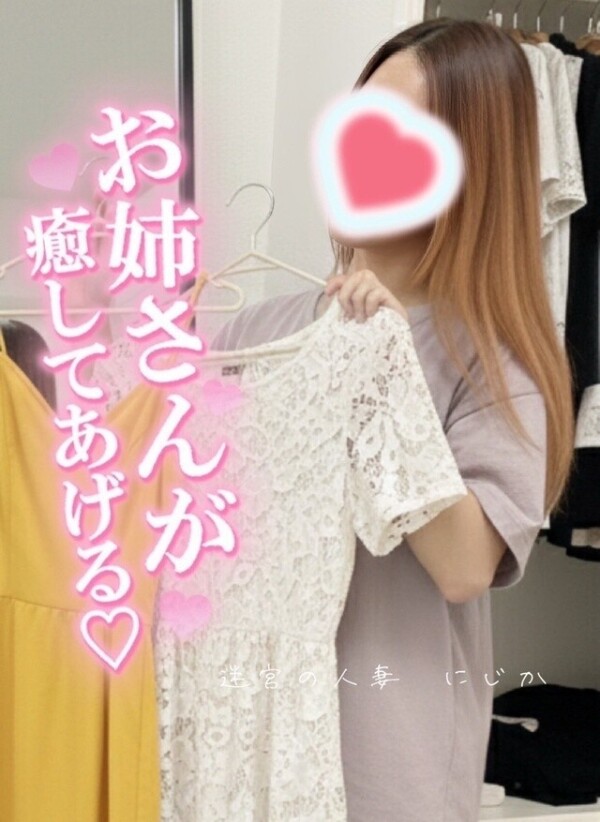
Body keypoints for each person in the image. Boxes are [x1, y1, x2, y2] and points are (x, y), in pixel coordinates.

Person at [207, 17, 575, 822]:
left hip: (383, 773)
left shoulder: (496, 361)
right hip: (242, 754)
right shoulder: (252, 333)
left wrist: (379, 369)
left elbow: (464, 566)